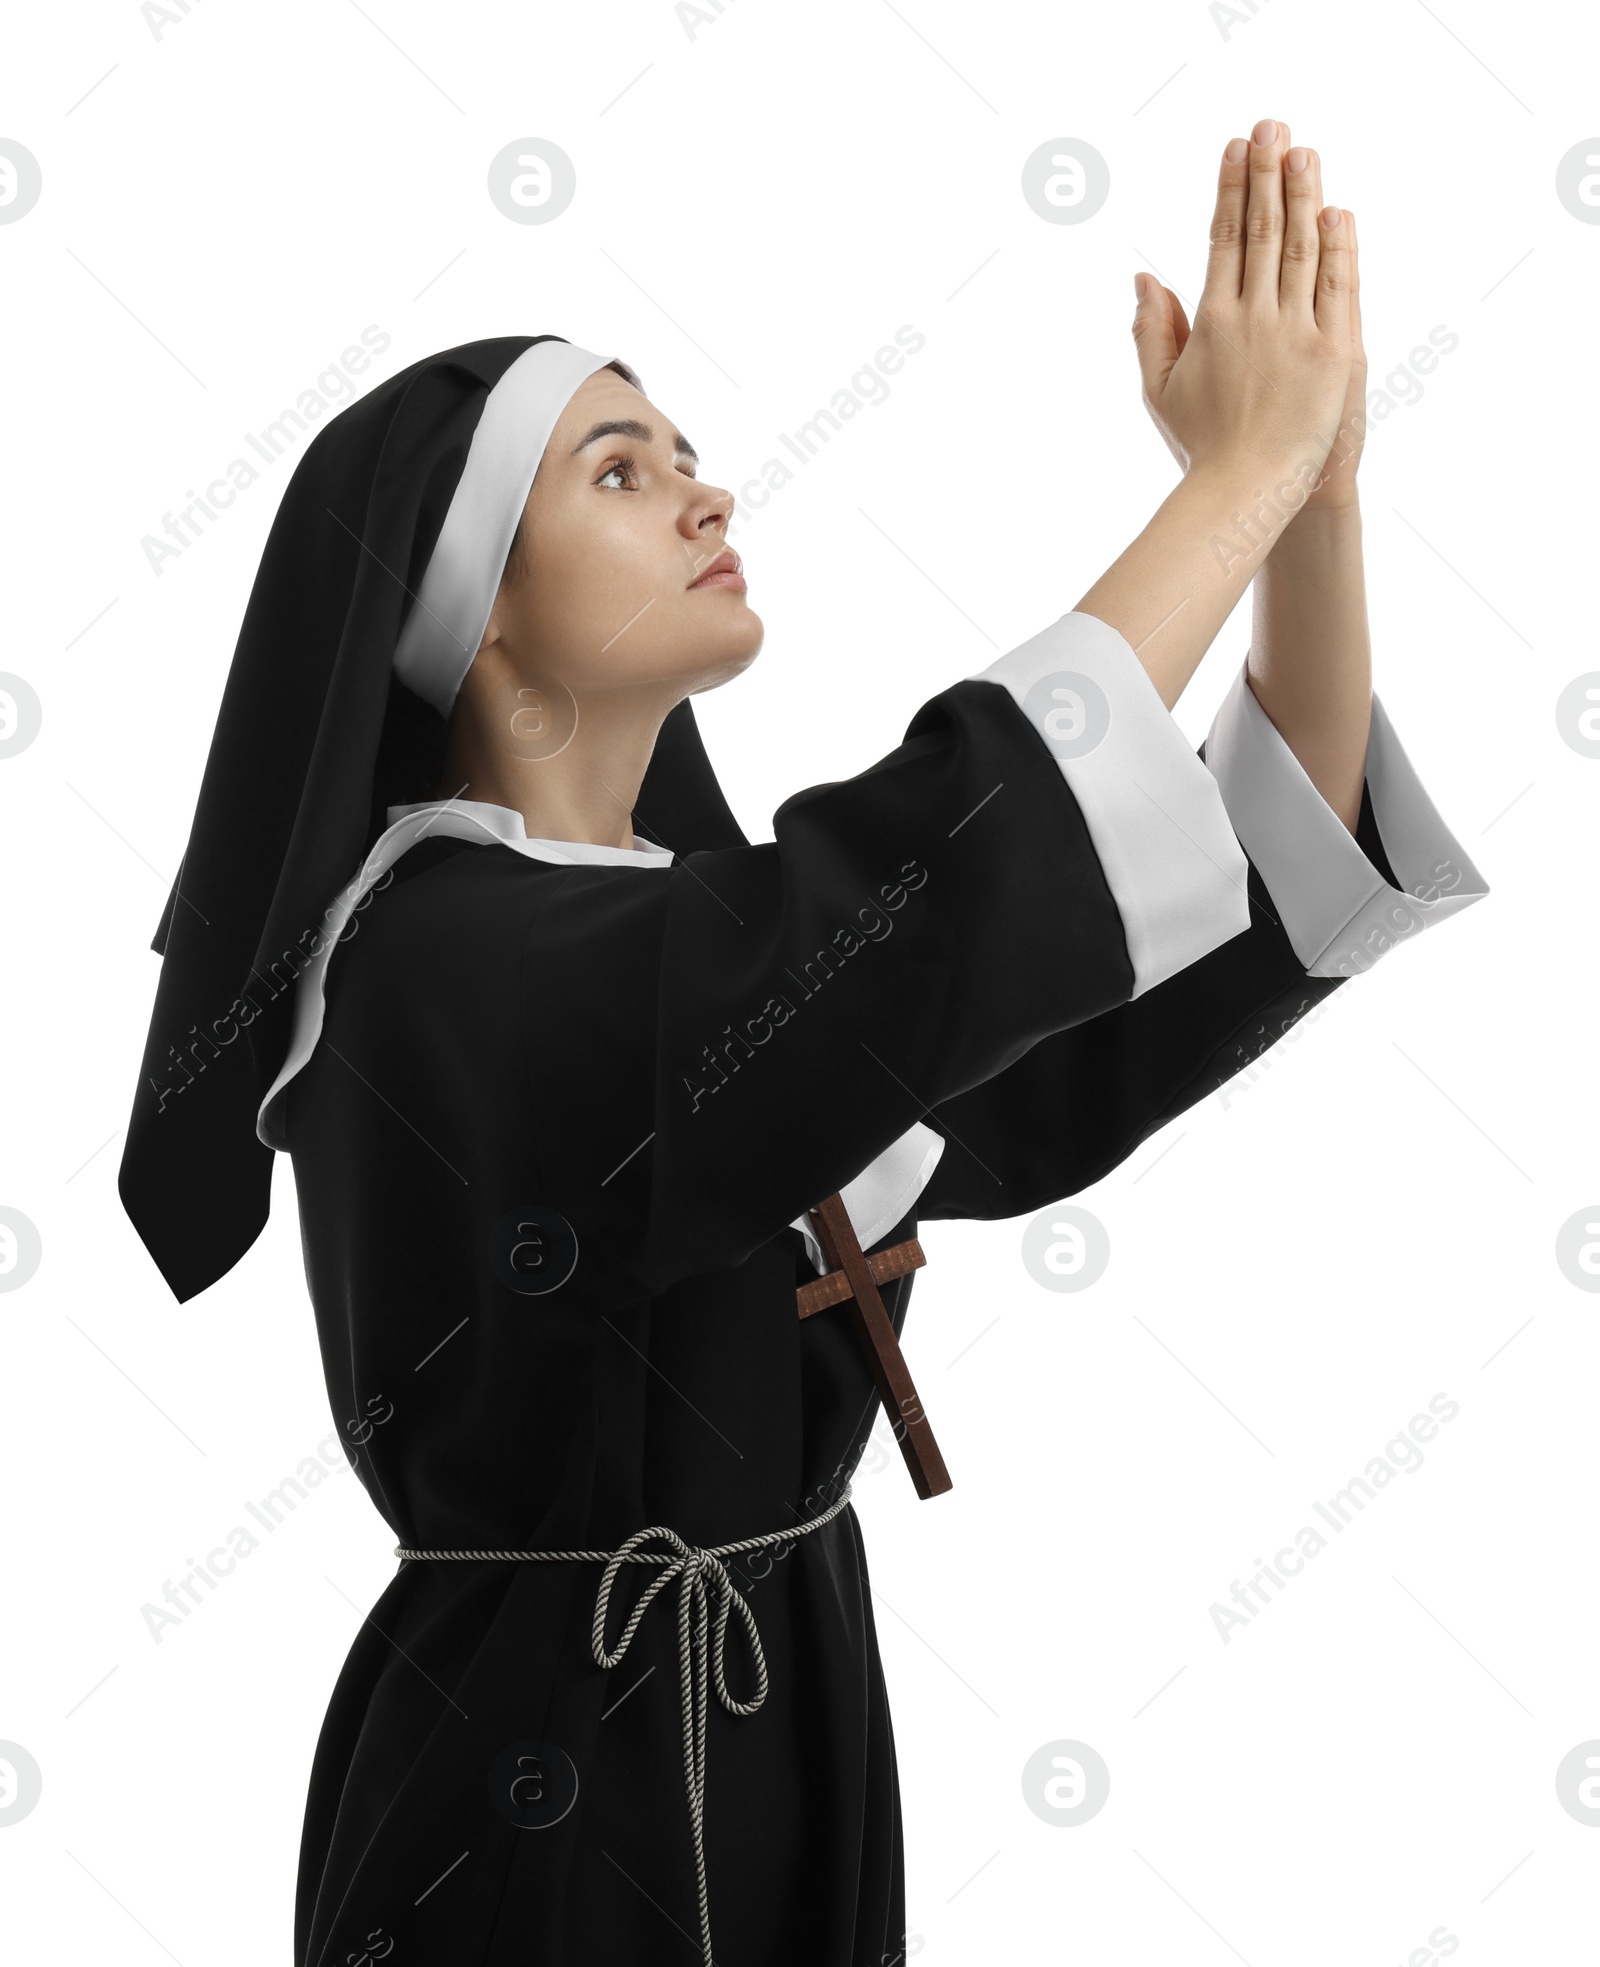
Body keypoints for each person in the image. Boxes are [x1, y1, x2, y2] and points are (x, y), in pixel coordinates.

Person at [119, 118, 1486, 1967]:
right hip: (543, 1787)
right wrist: (1224, 477)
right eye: (620, 472)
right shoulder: (434, 956)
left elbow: (1177, 933)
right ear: (479, 610)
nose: (704, 496)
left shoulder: (686, 947)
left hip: (797, 1719)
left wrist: (1306, 505)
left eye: (690, 457)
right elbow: (929, 883)